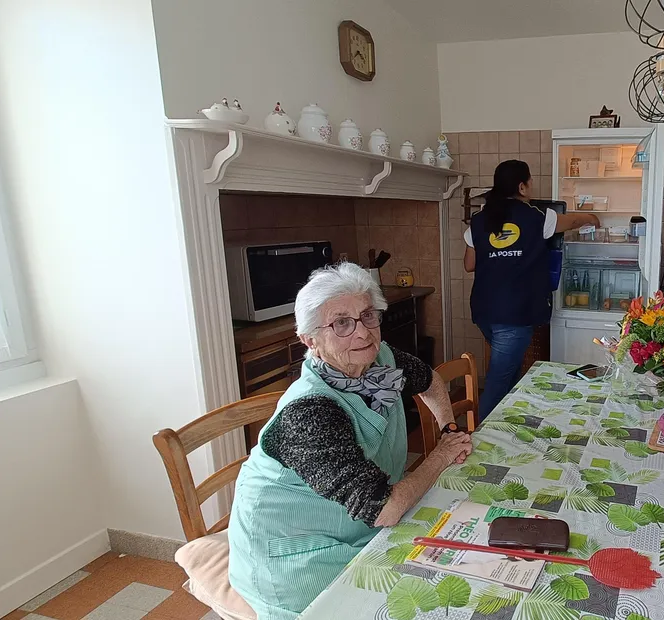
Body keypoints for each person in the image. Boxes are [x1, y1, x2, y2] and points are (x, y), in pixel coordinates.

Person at [228, 263, 473, 620]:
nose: (362, 333)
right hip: (294, 553)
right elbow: (384, 510)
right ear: (310, 340)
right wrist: (440, 455)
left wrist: (448, 428)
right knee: (431, 594)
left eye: (367, 316)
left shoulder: (380, 360)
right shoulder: (309, 413)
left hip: (355, 526)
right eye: (341, 323)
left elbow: (429, 379)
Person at [464, 160, 599, 418]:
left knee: (511, 369)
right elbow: (570, 223)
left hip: (484, 311)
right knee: (498, 380)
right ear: (522, 186)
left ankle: (506, 423)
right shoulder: (537, 217)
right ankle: (478, 438)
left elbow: (469, 265)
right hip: (514, 312)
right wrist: (592, 218)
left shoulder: (479, 219)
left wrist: (495, 253)